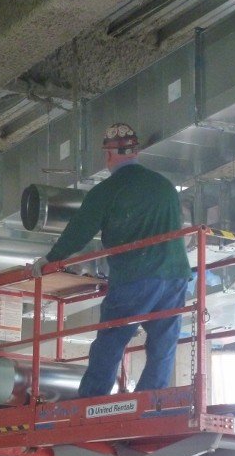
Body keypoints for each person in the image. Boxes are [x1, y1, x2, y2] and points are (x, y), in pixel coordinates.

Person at [31, 122, 192, 397]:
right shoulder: (165, 186)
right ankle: (150, 399)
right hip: (176, 275)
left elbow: (78, 233)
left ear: (108, 155)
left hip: (136, 277)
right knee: (163, 342)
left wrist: (48, 260)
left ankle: (91, 401)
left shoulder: (107, 191)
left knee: (111, 340)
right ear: (136, 153)